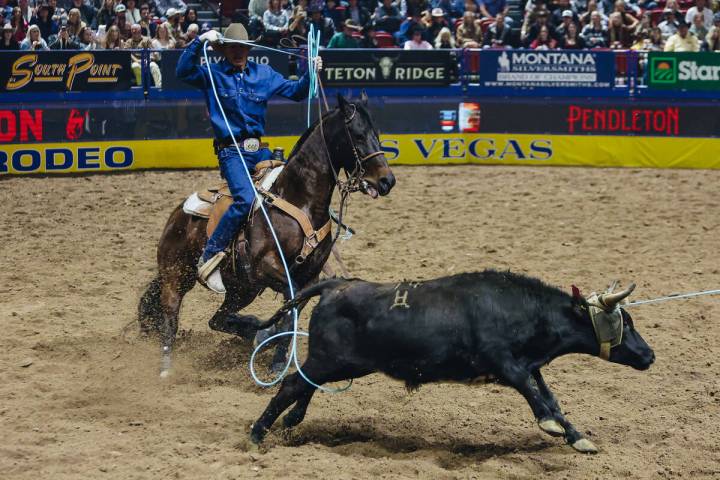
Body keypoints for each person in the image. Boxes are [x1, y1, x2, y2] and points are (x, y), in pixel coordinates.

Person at [176, 23, 322, 293]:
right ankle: (209, 256)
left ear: (249, 49)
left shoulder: (263, 74)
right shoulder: (212, 73)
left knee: (293, 186)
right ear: (224, 50)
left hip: (259, 151)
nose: (238, 51)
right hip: (231, 152)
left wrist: (310, 70)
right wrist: (199, 42)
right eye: (233, 47)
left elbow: (297, 92)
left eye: (242, 47)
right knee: (245, 199)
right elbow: (182, 71)